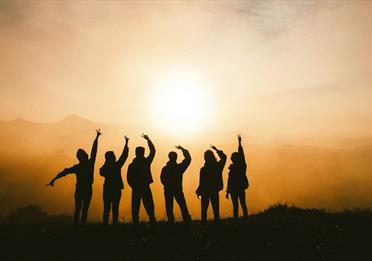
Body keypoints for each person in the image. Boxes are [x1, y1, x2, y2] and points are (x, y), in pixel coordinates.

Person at [46, 129, 101, 228]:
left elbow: (64, 172)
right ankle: (81, 227)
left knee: (78, 209)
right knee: (84, 209)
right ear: (85, 156)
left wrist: (53, 179)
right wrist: (96, 138)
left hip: (80, 189)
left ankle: (77, 227)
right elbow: (94, 151)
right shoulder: (90, 163)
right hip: (87, 189)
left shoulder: (78, 167)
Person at [100, 136, 129, 226]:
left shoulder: (105, 167)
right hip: (116, 188)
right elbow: (124, 156)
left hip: (107, 188)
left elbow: (101, 173)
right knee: (115, 207)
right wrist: (126, 144)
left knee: (107, 208)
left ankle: (106, 224)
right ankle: (114, 224)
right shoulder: (116, 166)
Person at [127, 133, 156, 224]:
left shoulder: (133, 165)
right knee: (148, 206)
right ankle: (152, 221)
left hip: (137, 188)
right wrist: (148, 140)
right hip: (143, 187)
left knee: (136, 206)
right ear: (142, 153)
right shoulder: (146, 162)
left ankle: (136, 223)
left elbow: (129, 178)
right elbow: (153, 151)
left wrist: (133, 185)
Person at [160, 145, 192, 223]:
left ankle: (171, 222)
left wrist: (166, 185)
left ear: (169, 157)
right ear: (176, 158)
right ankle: (187, 221)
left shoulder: (165, 168)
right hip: (177, 189)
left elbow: (162, 179)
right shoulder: (179, 168)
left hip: (168, 190)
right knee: (182, 206)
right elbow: (188, 159)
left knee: (169, 207)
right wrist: (183, 150)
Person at [196, 145, 226, 223]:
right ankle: (216, 225)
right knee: (215, 209)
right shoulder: (217, 166)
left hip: (205, 191)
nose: (204, 158)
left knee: (204, 210)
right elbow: (224, 158)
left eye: (205, 156)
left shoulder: (204, 169)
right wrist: (217, 150)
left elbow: (201, 182)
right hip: (213, 190)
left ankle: (204, 225)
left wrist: (199, 191)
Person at [226, 135, 249, 218]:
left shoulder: (241, 166)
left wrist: (239, 144)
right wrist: (228, 191)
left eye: (232, 158)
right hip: (236, 189)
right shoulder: (239, 167)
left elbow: (242, 155)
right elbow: (230, 181)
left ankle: (238, 221)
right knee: (240, 205)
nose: (231, 159)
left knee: (238, 206)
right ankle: (244, 220)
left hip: (236, 189)